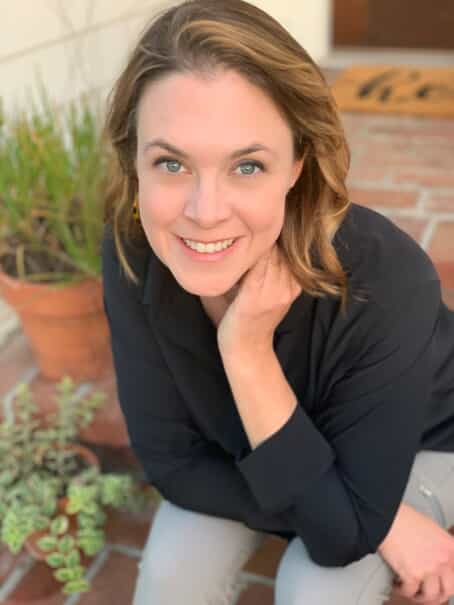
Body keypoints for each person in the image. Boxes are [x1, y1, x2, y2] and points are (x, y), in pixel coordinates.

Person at [101, 1, 454, 603]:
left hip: (424, 440)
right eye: (171, 162)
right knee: (170, 575)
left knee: (316, 588)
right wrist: (365, 518)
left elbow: (339, 539)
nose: (204, 211)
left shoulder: (389, 277)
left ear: (297, 164)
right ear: (135, 160)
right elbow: (171, 463)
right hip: (262, 455)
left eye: (246, 165)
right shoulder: (135, 248)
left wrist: (246, 349)